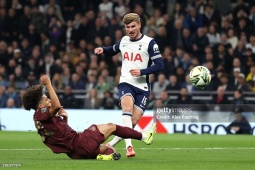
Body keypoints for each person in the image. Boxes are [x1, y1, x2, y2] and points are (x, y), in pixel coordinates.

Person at [22, 75, 156, 160]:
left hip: (76, 154)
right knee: (112, 126)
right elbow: (56, 106)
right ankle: (144, 137)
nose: (49, 100)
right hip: (80, 143)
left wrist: (65, 120)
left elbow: (60, 134)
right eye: (46, 99)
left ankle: (103, 156)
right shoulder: (41, 113)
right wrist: (49, 85)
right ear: (40, 105)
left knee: (111, 150)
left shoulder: (40, 119)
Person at [94, 13, 164, 157]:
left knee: (132, 122)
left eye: (133, 26)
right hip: (126, 82)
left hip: (143, 88)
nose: (130, 29)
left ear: (139, 25)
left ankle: (110, 145)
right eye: (127, 27)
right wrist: (103, 49)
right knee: (126, 108)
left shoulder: (150, 43)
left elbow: (160, 65)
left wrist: (142, 71)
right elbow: (112, 50)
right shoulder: (124, 41)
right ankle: (129, 148)